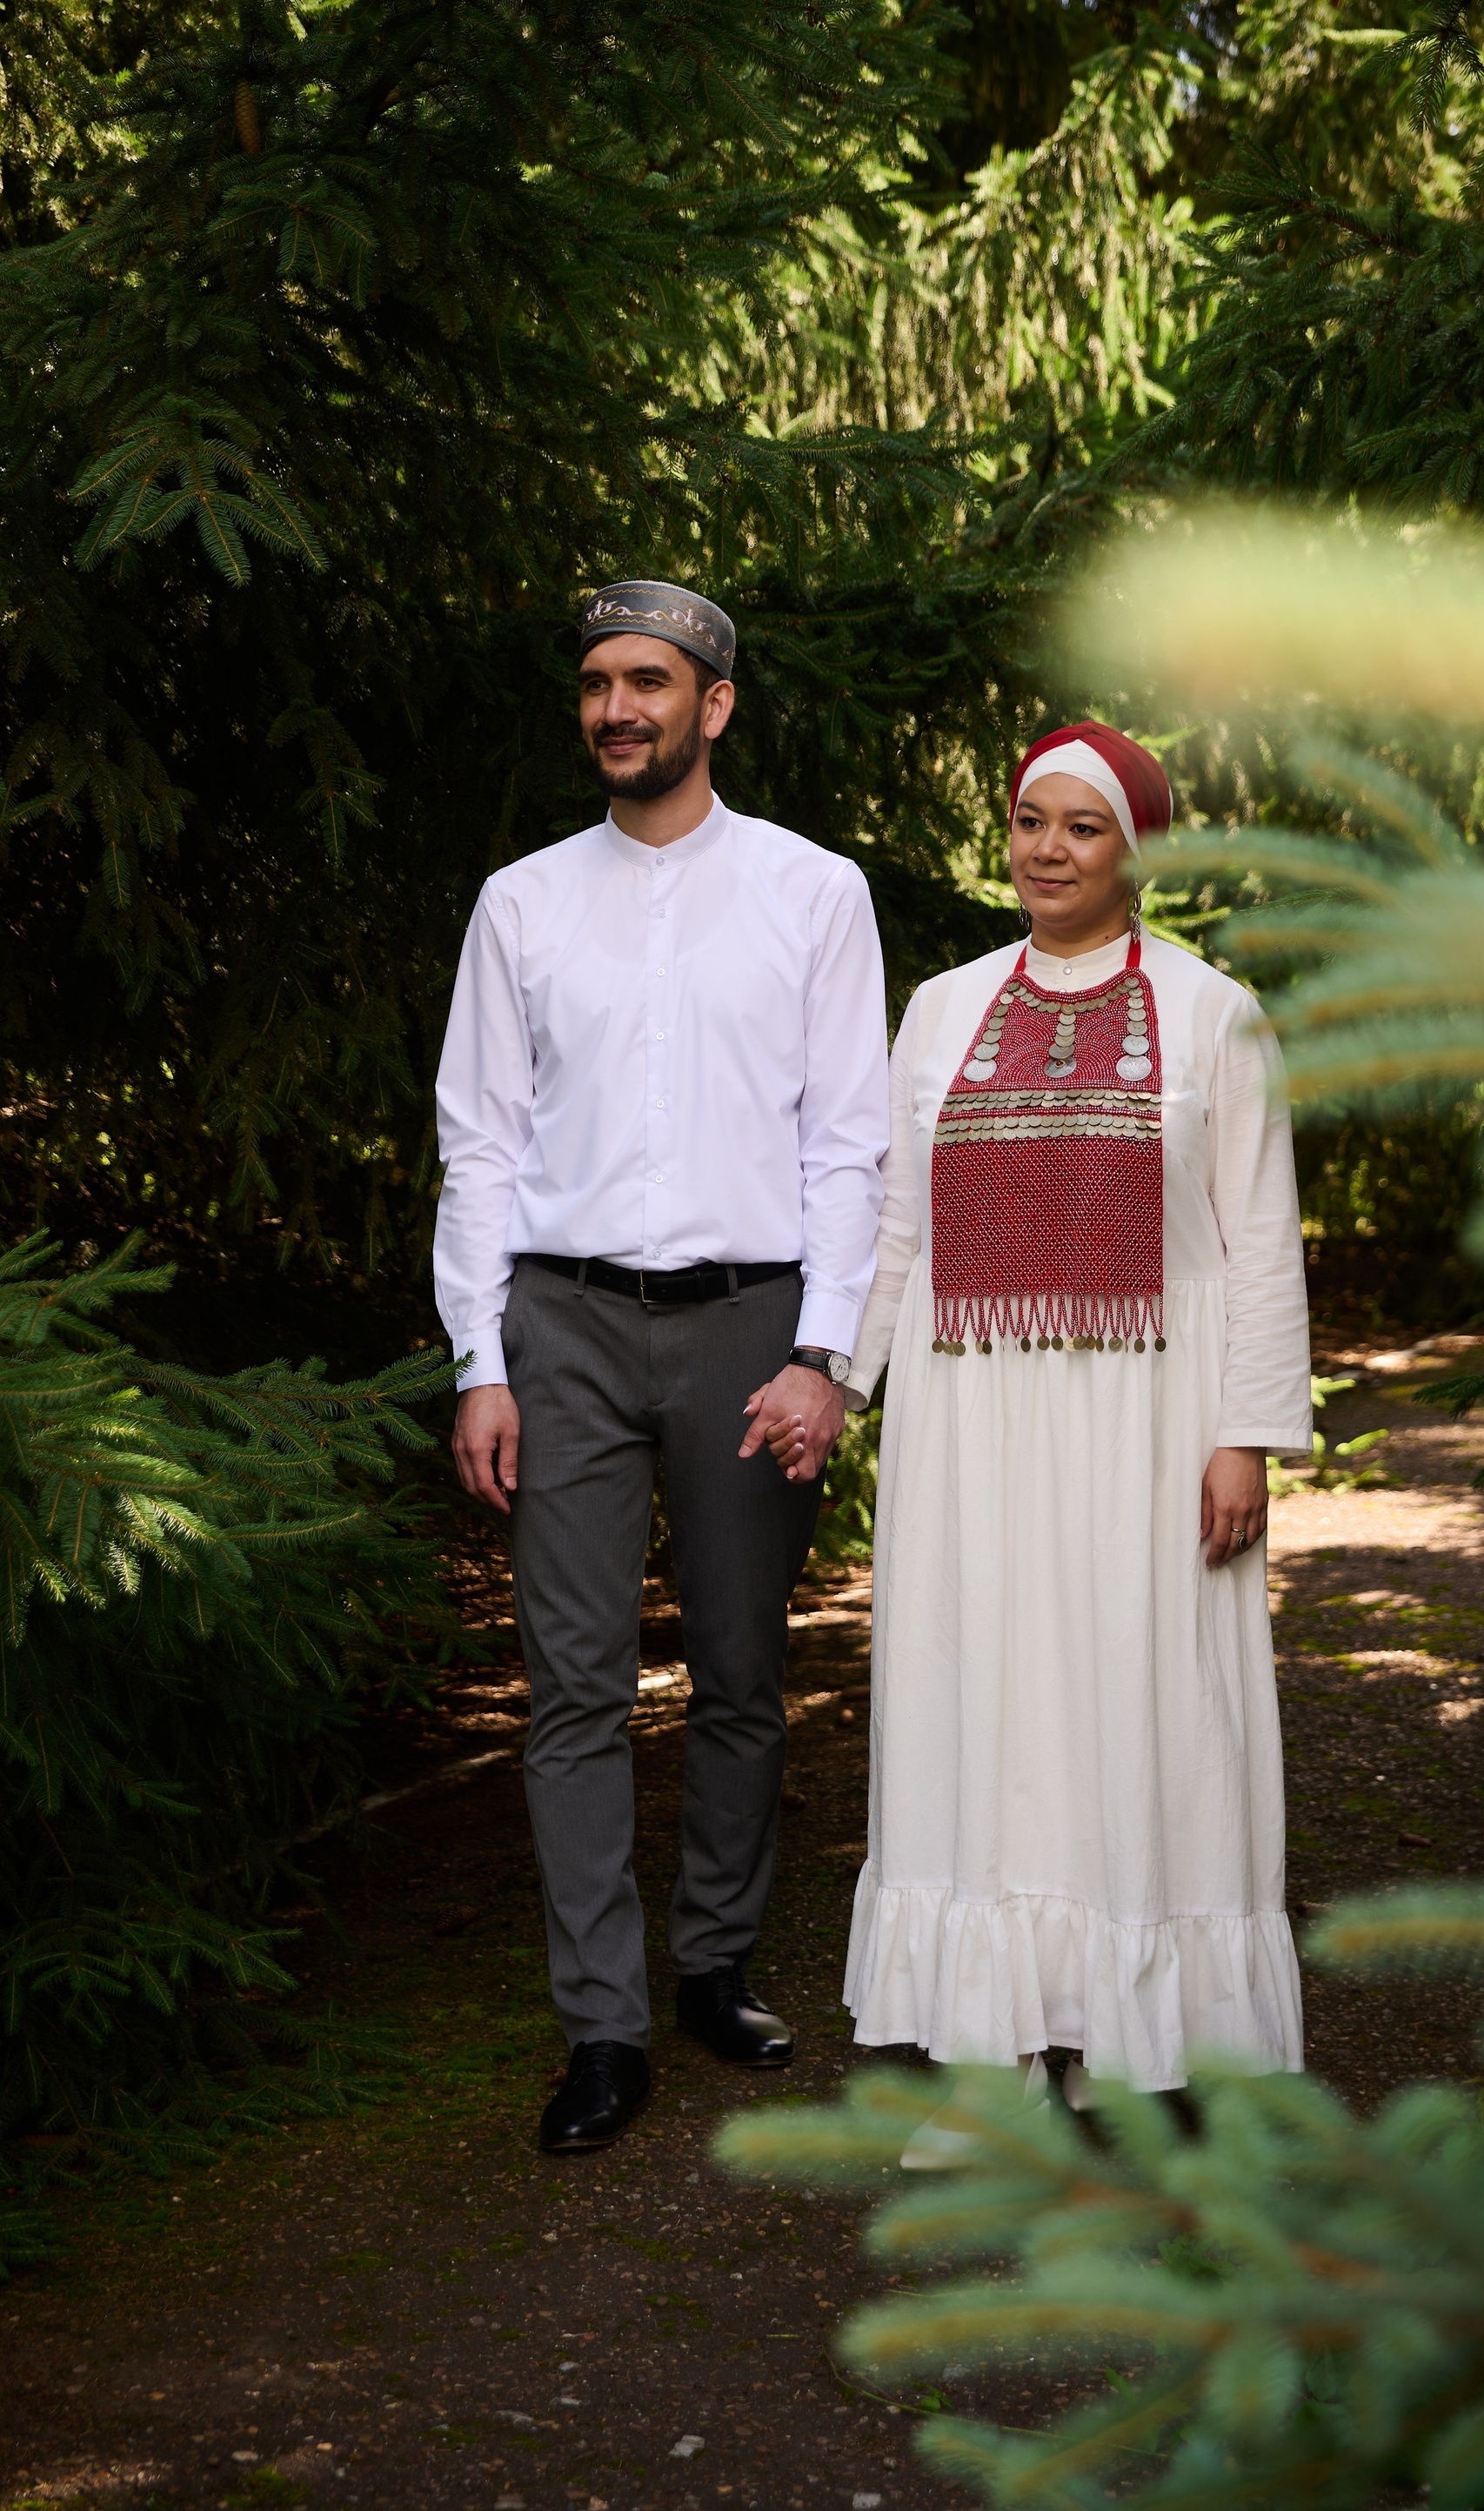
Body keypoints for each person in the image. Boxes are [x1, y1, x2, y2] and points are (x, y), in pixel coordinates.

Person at [433, 579, 889, 2153]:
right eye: (597, 684)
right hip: (559, 1326)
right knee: (572, 1683)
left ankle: (712, 1964)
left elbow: (849, 1144)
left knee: (743, 1669)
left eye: (649, 681)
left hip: (753, 1324)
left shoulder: (815, 892)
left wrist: (827, 1352)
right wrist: (480, 1358)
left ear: (716, 703)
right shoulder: (520, 904)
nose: (617, 708)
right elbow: (480, 1143)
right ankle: (602, 2027)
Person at [824, 721, 1312, 2144]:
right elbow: (898, 1228)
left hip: (1150, 1428)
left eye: (1082, 826)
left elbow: (1260, 1240)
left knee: (1145, 1706)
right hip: (972, 1428)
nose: (1048, 848)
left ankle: (1131, 2033)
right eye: (1031, 819)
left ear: (1133, 849)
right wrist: (838, 1380)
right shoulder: (942, 1007)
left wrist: (1248, 1433)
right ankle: (998, 2047)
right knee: (982, 1706)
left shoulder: (1217, 1015)